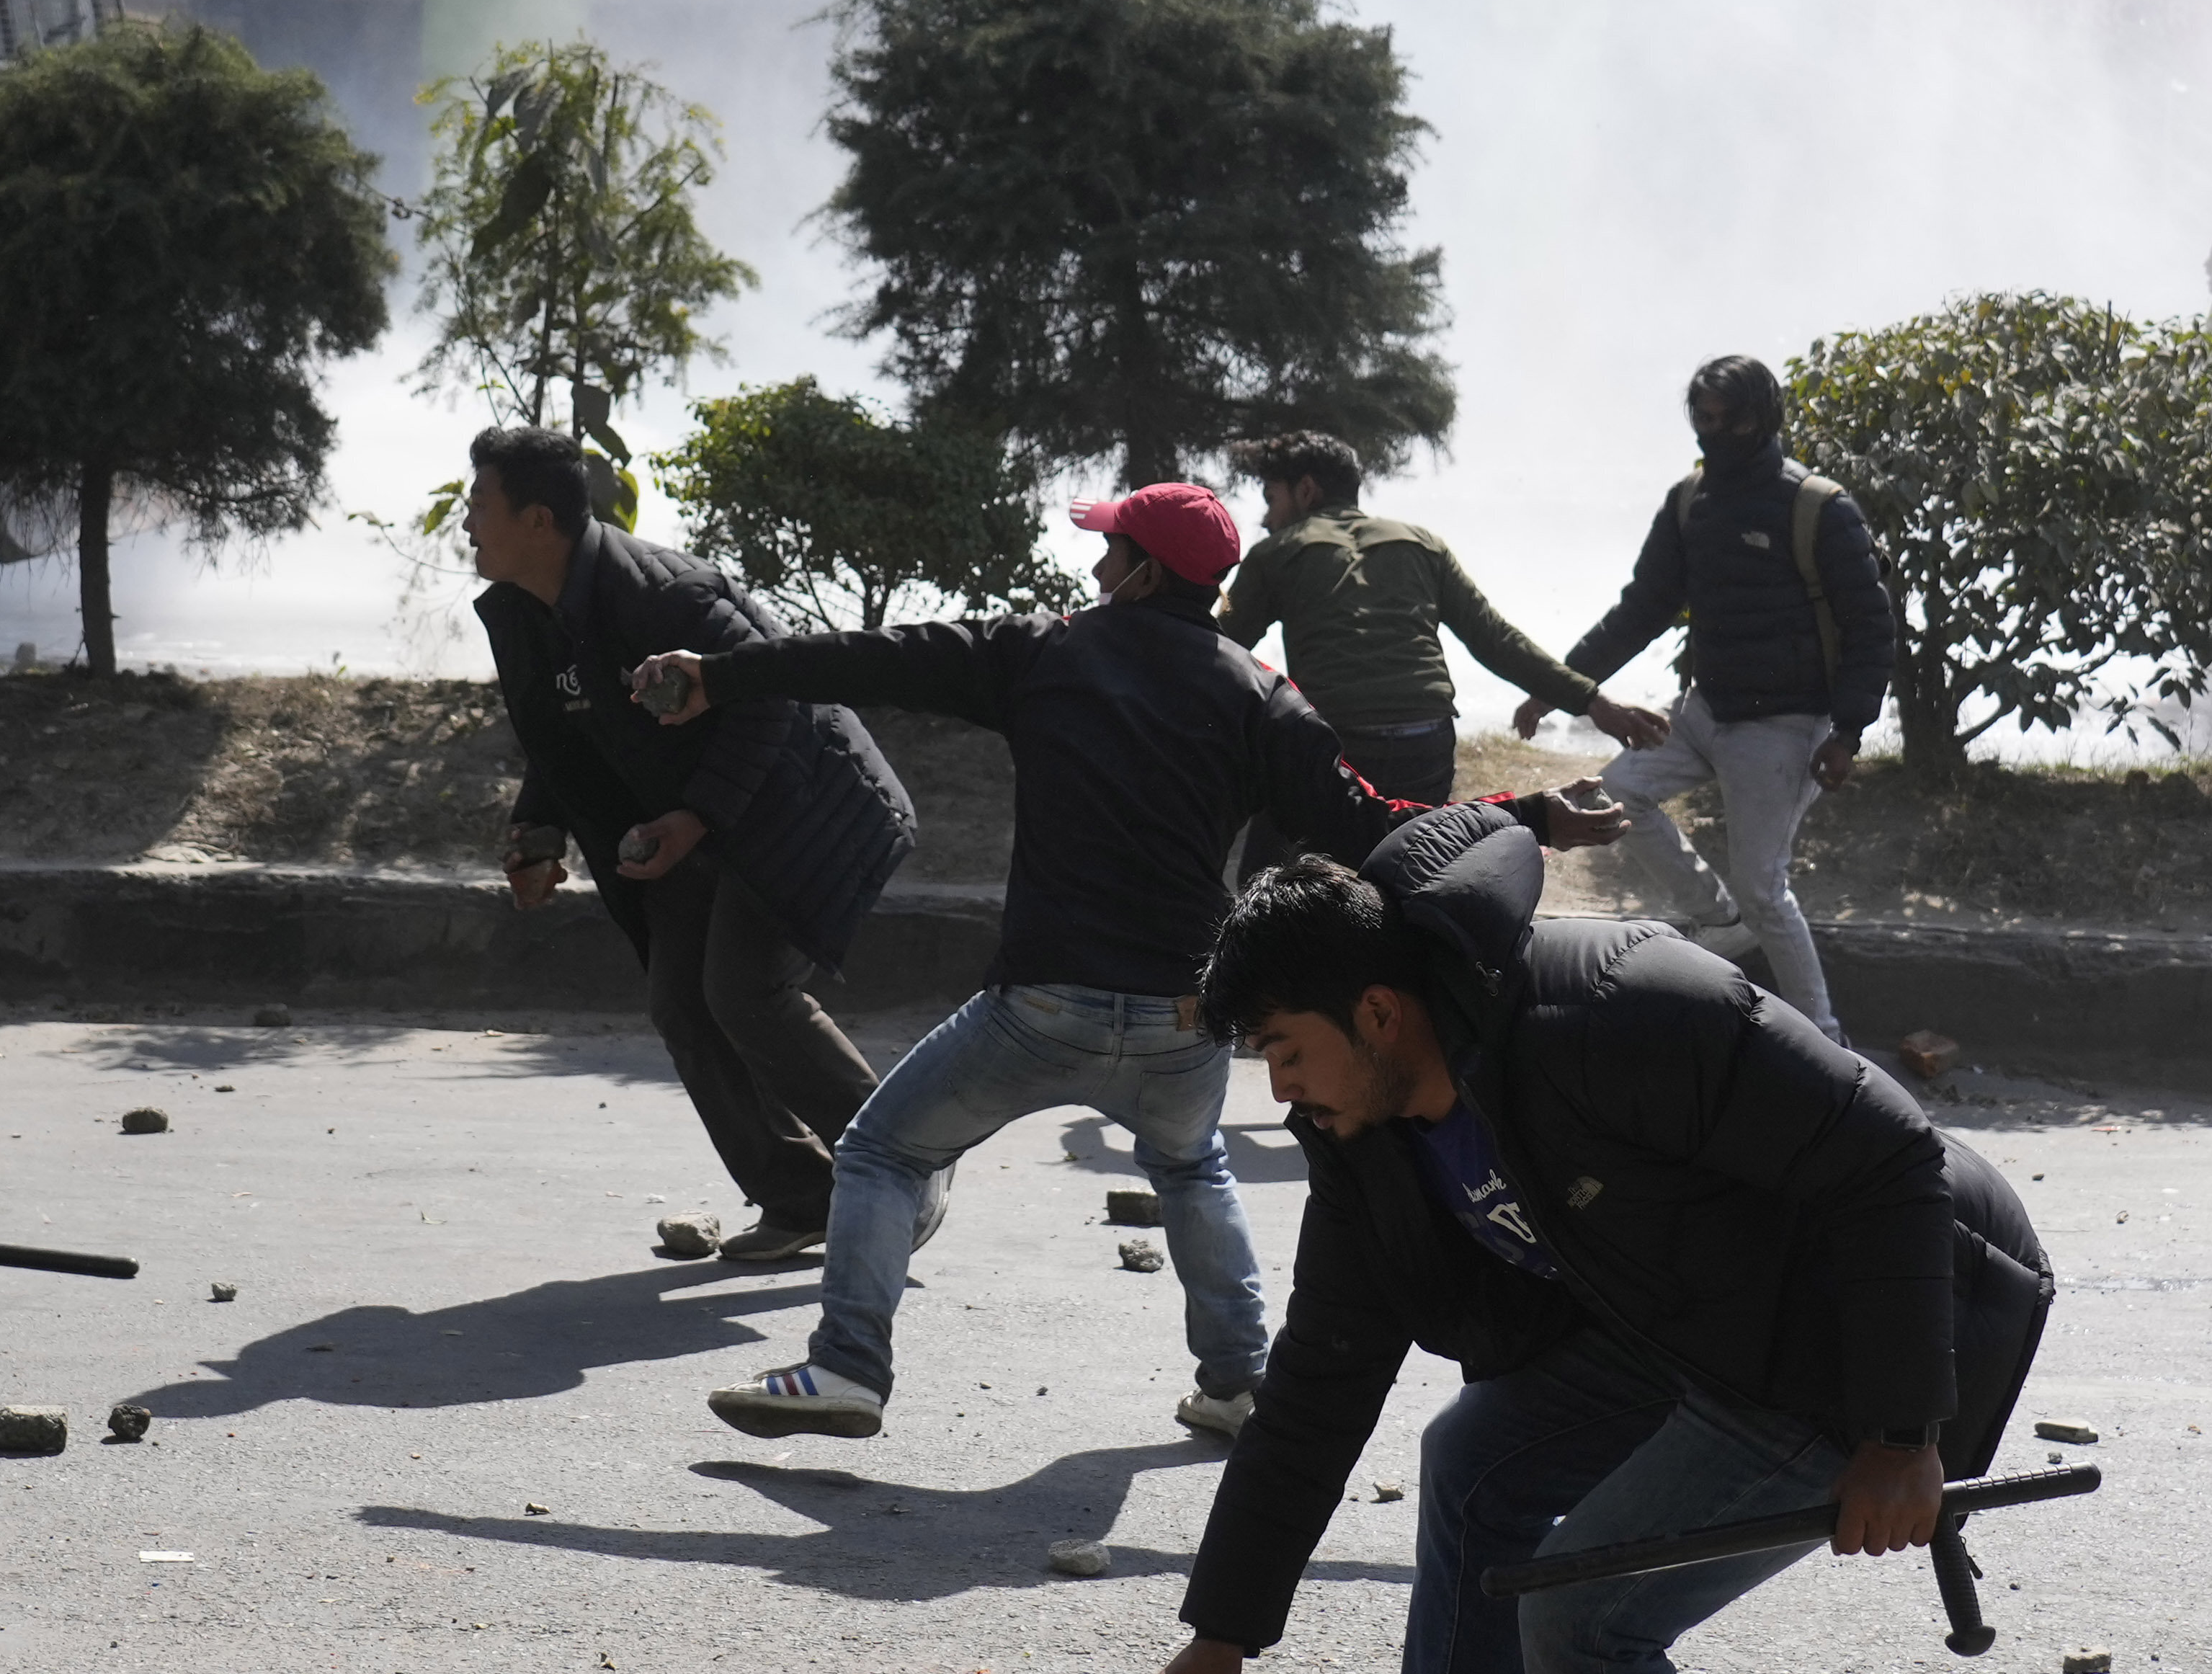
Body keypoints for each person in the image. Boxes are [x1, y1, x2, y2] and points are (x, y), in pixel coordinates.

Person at [1140, 808, 2053, 1674]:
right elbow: (1318, 1385)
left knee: (1583, 1618)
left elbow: (1889, 1158)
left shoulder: (1615, 1010)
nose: (1280, 1092)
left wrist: (1901, 1431)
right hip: (1696, 1313)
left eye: (1284, 1051)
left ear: (1374, 1012)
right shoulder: (1368, 1137)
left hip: (1867, 1323)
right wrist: (1222, 1629)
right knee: (1473, 1459)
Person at [636, 481, 1623, 1448]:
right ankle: (1237, 1383)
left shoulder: (1044, 649)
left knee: (882, 1152)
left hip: (1038, 1006)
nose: (1098, 564)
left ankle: (847, 1365)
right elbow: (1372, 820)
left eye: (1111, 549)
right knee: (1191, 1167)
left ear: (1145, 572)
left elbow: (874, 658)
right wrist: (1529, 814)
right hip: (1185, 1015)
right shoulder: (1260, 692)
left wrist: (717, 674)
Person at [466, 426, 913, 1266]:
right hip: (689, 825)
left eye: (478, 504)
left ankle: (902, 1169)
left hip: (793, 802)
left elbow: (774, 693)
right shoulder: (527, 611)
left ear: (536, 519)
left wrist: (696, 816)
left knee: (743, 989)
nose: (466, 523)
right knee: (681, 1002)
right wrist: (540, 834)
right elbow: (559, 735)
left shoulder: (662, 593)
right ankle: (803, 1196)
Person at [1538, 355, 1892, 1036]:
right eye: (1703, 418)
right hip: (1704, 710)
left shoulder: (1817, 506)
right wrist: (1559, 684)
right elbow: (1642, 608)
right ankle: (1720, 921)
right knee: (1618, 794)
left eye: (1732, 420)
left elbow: (1870, 625)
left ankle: (1825, 1042)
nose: (1715, 433)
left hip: (1785, 724)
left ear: (1766, 418)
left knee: (1763, 887)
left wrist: (1848, 732)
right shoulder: (1690, 502)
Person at [1219, 430, 1658, 806]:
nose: (1267, 518)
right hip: (1425, 744)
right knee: (1409, 859)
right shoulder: (1423, 544)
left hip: (1336, 743)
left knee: (1279, 865)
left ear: (1306, 490)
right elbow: (1495, 639)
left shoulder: (1274, 554)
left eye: (1271, 499)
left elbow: (1221, 653)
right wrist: (1593, 702)